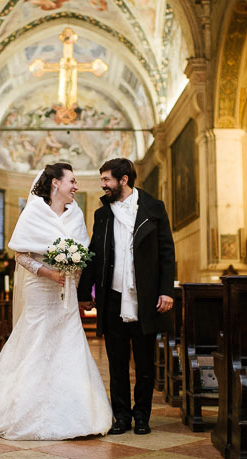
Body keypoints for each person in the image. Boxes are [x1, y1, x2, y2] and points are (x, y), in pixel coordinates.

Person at [0, 163, 112, 440]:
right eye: (72, 181)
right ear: (55, 184)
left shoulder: (76, 213)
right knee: (35, 340)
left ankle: (77, 411)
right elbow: (20, 256)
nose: (76, 187)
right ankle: (21, 409)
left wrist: (76, 278)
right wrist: (49, 272)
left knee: (69, 341)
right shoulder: (33, 211)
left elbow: (83, 255)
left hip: (67, 290)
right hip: (40, 287)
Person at [78, 158, 175, 435]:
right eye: (102, 180)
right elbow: (93, 256)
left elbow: (167, 253)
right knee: (117, 363)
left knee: (145, 363)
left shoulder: (153, 208)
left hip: (145, 297)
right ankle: (121, 415)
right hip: (112, 297)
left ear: (124, 180)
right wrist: (85, 292)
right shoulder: (102, 214)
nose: (103, 185)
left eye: (107, 180)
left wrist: (166, 290)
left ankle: (142, 416)